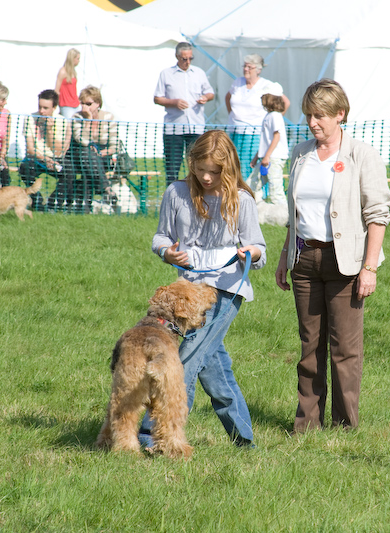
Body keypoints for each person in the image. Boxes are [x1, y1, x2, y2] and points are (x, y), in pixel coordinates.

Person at [275, 79, 390, 433]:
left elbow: (378, 214)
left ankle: (344, 425)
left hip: (347, 263)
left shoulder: (362, 155)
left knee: (345, 349)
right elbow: (295, 215)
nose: (313, 122)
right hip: (305, 261)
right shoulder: (300, 154)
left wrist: (368, 268)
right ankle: (306, 424)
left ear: (340, 114)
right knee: (310, 347)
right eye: (309, 115)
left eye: (321, 115)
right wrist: (285, 258)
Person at [138, 129, 265, 448]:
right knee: (213, 367)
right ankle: (244, 439)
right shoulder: (176, 192)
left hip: (227, 288)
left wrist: (250, 253)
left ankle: (154, 438)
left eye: (215, 171)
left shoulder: (242, 199)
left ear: (229, 168)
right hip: (188, 291)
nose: (207, 177)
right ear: (191, 163)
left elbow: (259, 249)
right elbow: (161, 237)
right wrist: (167, 252)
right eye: (201, 169)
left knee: (184, 361)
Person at [154, 42, 215, 186]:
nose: (187, 62)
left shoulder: (199, 73)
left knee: (198, 166)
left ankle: (196, 196)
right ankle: (172, 197)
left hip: (196, 127)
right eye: (184, 59)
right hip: (173, 129)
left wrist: (205, 97)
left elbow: (210, 92)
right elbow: (157, 98)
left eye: (190, 58)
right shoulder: (166, 74)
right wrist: (174, 102)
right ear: (177, 57)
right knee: (172, 168)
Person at [225, 54, 290, 177]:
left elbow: (286, 102)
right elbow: (228, 97)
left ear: (258, 69)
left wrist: (274, 119)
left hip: (254, 134)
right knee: (233, 164)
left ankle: (249, 193)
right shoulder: (237, 82)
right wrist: (232, 115)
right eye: (245, 66)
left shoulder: (267, 85)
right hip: (235, 131)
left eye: (250, 67)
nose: (246, 69)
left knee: (249, 168)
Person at [19, 89, 74, 211]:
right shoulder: (30, 119)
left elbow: (58, 151)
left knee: (69, 171)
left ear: (54, 107)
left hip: (56, 159)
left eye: (45, 108)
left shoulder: (62, 121)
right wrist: (46, 159)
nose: (41, 111)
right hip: (37, 158)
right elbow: (30, 149)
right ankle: (37, 200)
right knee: (25, 168)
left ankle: (53, 203)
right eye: (40, 107)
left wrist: (49, 130)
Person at [70, 86, 118, 211]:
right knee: (87, 154)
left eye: (89, 104)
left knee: (89, 164)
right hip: (80, 155)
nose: (85, 107)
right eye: (82, 103)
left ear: (98, 104)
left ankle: (85, 208)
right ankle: (106, 189)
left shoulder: (108, 117)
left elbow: (114, 146)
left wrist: (100, 153)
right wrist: (88, 120)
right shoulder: (77, 117)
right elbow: (82, 141)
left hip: (103, 157)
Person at [248, 93, 288, 205]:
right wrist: (256, 157)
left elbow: (277, 136)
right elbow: (265, 141)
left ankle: (283, 215)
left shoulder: (275, 116)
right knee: (253, 183)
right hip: (265, 157)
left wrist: (267, 156)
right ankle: (256, 208)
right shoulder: (268, 116)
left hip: (273, 157)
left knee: (275, 187)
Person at [55, 49, 80, 119]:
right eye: (77, 59)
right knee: (68, 124)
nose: (79, 61)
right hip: (66, 104)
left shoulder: (73, 72)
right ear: (73, 59)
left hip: (75, 103)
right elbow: (57, 90)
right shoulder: (63, 71)